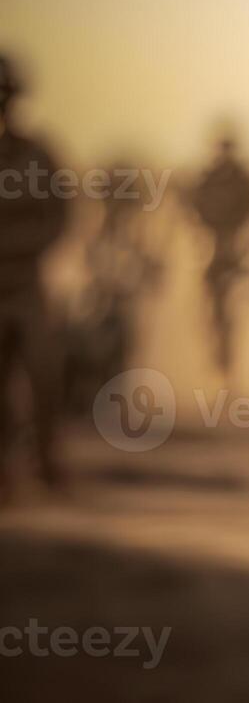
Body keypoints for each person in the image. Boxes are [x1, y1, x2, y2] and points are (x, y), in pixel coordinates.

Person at [0, 51, 70, 502]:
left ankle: (45, 462)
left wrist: (23, 248)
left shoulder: (37, 154)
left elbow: (58, 215)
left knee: (44, 376)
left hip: (26, 284)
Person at [188, 124, 249, 381]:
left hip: (235, 252)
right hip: (211, 252)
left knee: (231, 309)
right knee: (211, 310)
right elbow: (194, 213)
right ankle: (216, 357)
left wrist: (243, 242)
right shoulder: (206, 178)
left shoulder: (243, 180)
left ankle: (226, 362)